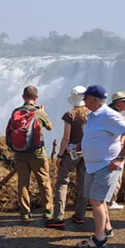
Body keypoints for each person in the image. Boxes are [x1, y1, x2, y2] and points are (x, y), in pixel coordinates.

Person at [75, 85, 125, 248]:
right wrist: (79, 147)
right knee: (95, 199)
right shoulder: (94, 115)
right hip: (92, 165)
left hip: (106, 165)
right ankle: (107, 229)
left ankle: (99, 239)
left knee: (96, 200)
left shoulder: (109, 115)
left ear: (95, 99)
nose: (83, 100)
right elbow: (96, 136)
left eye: (86, 97)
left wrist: (120, 158)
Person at [46, 86, 89, 228]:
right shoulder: (91, 113)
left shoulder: (70, 114)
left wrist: (59, 155)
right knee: (83, 184)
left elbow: (66, 138)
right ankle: (80, 216)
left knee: (63, 183)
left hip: (71, 153)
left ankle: (58, 217)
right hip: (87, 153)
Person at [9, 85, 53, 221]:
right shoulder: (39, 112)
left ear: (23, 97)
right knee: (44, 181)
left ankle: (25, 212)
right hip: (37, 153)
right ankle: (47, 210)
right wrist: (43, 112)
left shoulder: (15, 112)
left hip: (20, 152)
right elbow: (50, 127)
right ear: (36, 98)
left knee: (23, 182)